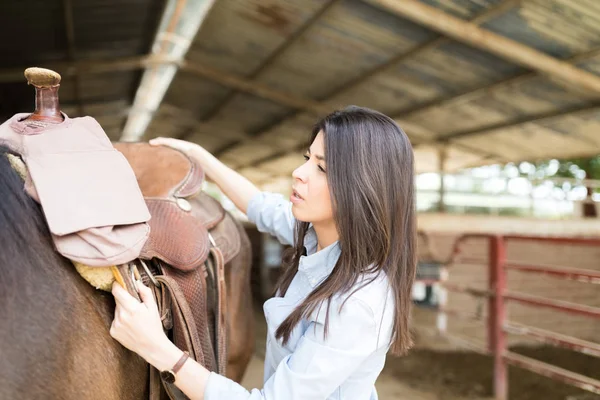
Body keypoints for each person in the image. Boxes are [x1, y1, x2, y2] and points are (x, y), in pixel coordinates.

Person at [110, 105, 417, 400]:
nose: (299, 172)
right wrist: (199, 157)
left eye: (321, 167)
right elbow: (259, 205)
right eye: (307, 158)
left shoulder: (357, 304)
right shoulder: (317, 236)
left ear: (363, 189)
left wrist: (156, 347)